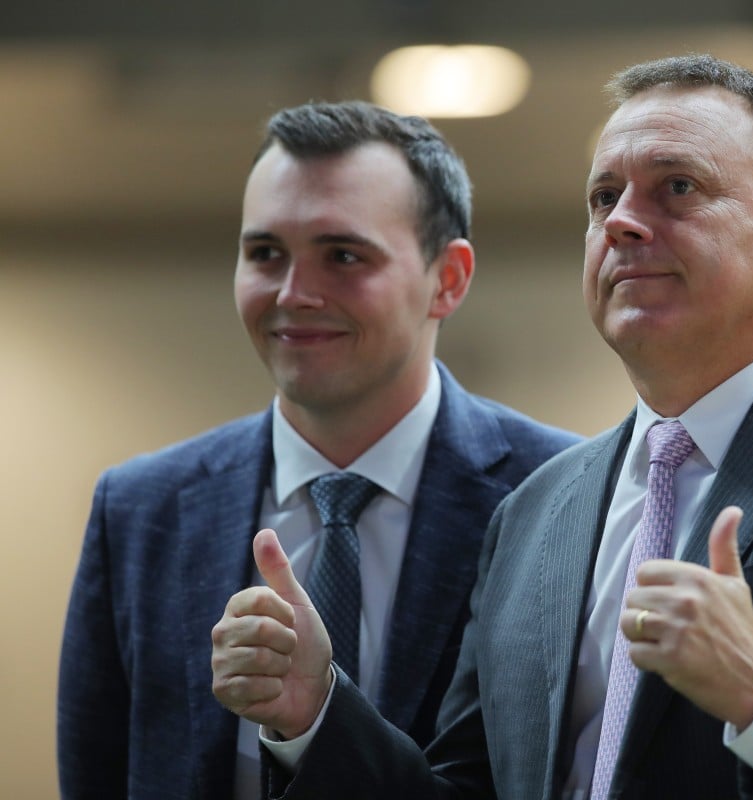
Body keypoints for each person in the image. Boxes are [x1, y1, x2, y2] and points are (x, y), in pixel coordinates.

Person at [212, 55, 753, 799]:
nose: (621, 220)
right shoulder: (538, 509)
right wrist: (319, 712)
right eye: (603, 196)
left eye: (677, 189)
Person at [57, 101, 579, 800]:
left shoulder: (561, 497)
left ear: (448, 279)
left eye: (342, 255)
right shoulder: (141, 509)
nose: (294, 294)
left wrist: (316, 721)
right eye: (265, 253)